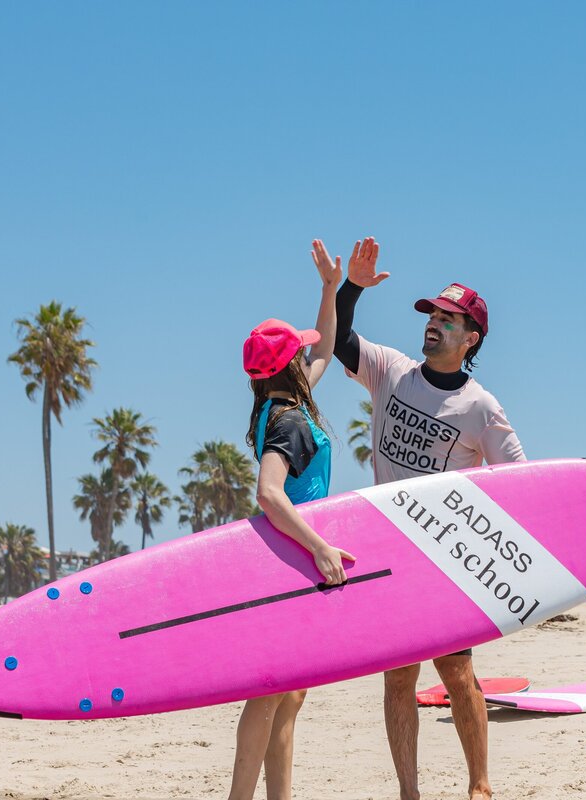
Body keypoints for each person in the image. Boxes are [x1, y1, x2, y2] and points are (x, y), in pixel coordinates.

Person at [332, 236, 525, 800]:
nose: (435, 324)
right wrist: (353, 288)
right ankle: (408, 792)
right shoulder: (392, 372)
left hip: (444, 559)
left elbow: (517, 484)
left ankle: (480, 785)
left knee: (457, 673)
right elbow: (342, 339)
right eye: (433, 315)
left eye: (449, 319)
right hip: (389, 552)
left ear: (471, 338)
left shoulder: (480, 406)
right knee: (398, 677)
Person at [228, 240, 356, 800]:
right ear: (286, 368)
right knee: (269, 692)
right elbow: (269, 495)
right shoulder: (289, 422)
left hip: (290, 567)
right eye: (299, 355)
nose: (311, 359)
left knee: (290, 696)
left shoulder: (274, 404)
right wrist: (321, 547)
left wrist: (329, 288)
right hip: (293, 564)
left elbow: (325, 345)